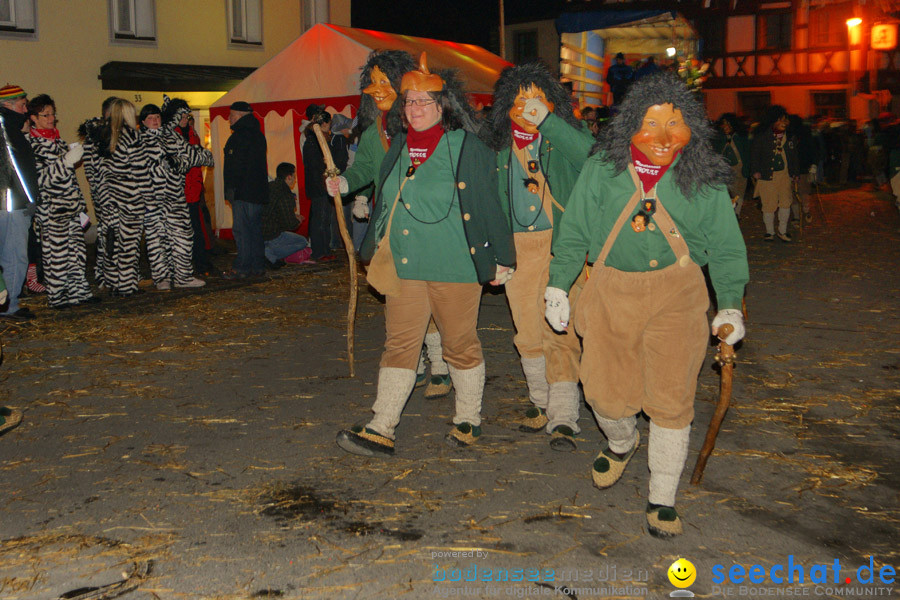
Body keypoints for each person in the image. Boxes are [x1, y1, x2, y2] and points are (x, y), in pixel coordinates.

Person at [544, 73, 748, 537]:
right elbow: (574, 231)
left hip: (679, 294)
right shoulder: (603, 168)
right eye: (651, 123)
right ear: (630, 125)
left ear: (691, 127)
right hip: (611, 291)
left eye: (674, 124)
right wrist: (558, 284)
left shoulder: (705, 178)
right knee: (604, 393)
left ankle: (663, 495)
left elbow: (728, 247)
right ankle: (622, 440)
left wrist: (730, 304)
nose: (661, 137)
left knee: (673, 398)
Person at [336, 54, 515, 457]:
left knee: (459, 345)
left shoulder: (468, 146)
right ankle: (382, 425)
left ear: (442, 106)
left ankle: (469, 418)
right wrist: (351, 190)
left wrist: (502, 257)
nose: (414, 109)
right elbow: (378, 184)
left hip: (455, 266)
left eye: (423, 102)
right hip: (406, 264)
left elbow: (490, 205)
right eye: (409, 102)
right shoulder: (397, 144)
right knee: (399, 344)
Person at [326, 50, 454, 398]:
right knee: (400, 296)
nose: (377, 89)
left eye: (385, 81)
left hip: (430, 225)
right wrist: (347, 185)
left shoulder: (426, 127)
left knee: (433, 297)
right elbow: (364, 168)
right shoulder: (373, 134)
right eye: (372, 82)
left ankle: (441, 364)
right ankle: (415, 363)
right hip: (392, 228)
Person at [487, 61, 595, 451]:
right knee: (528, 332)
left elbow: (592, 160)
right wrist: (494, 255)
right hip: (518, 250)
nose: (527, 106)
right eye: (518, 100)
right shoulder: (497, 147)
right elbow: (488, 205)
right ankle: (541, 403)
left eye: (537, 99)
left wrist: (549, 123)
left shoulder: (565, 135)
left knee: (559, 331)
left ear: (553, 103)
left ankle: (564, 416)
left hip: (560, 245)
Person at [26, 94, 97, 309]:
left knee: (77, 253)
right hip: (52, 211)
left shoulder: (57, 141)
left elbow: (70, 179)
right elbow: (40, 179)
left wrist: (80, 203)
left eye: (52, 114)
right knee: (56, 257)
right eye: (45, 115)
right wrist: (65, 162)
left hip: (71, 209)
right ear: (33, 118)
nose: (50, 118)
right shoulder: (32, 146)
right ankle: (57, 296)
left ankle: (79, 292)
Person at [140, 99, 211, 290]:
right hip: (152, 201)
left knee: (182, 238)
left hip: (175, 198)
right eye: (150, 118)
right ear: (143, 121)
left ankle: (183, 276)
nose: (154, 121)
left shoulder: (171, 137)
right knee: (157, 241)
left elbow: (194, 155)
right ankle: (161, 277)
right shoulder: (138, 142)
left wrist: (180, 162)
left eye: (157, 117)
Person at [81, 99, 147, 296]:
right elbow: (140, 171)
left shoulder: (102, 137)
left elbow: (94, 171)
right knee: (129, 243)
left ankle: (114, 282)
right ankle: (127, 285)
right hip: (130, 199)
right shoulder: (132, 137)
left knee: (112, 242)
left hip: (109, 199)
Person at [0, 84, 41, 320]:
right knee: (14, 254)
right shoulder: (7, 129)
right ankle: (10, 305)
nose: (26, 110)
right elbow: (16, 168)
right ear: (9, 105)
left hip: (9, 201)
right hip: (11, 203)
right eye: (23, 104)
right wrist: (28, 199)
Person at [169, 99, 217, 276]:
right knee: (181, 233)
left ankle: (200, 263)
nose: (184, 118)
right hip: (177, 193)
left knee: (197, 230)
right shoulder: (170, 136)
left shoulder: (191, 133)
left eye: (186, 115)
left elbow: (201, 158)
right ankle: (182, 267)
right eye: (181, 115)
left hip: (193, 191)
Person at [223, 101, 268, 278]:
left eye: (232, 115)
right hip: (256, 191)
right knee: (255, 230)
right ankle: (257, 266)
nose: (228, 119)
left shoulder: (239, 136)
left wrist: (231, 190)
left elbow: (236, 167)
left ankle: (241, 267)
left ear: (241, 116)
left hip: (243, 191)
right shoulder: (258, 134)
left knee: (242, 230)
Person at [79, 96, 120, 290]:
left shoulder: (119, 134)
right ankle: (107, 275)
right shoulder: (95, 135)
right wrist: (101, 191)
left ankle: (118, 273)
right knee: (108, 234)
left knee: (117, 234)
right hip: (105, 194)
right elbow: (91, 169)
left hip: (118, 194)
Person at [750, 105, 798, 242]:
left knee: (785, 203)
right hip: (767, 176)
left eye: (785, 120)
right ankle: (769, 231)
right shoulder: (762, 137)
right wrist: (755, 170)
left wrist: (795, 173)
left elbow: (794, 156)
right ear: (772, 121)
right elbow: (754, 154)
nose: (784, 123)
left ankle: (782, 231)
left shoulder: (790, 137)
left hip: (784, 175)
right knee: (768, 204)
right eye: (780, 120)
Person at [302, 104, 337, 262]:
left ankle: (324, 249)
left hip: (323, 184)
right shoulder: (312, 140)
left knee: (324, 218)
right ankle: (319, 251)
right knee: (320, 219)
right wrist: (323, 181)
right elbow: (314, 166)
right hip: (319, 186)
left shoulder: (319, 139)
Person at [263, 162, 311, 265]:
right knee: (302, 242)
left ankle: (264, 249)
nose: (295, 180)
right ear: (289, 177)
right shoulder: (286, 193)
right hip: (273, 234)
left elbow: (275, 212)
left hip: (258, 232)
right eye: (294, 176)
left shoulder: (268, 186)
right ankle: (269, 254)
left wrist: (292, 216)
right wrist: (297, 220)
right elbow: (289, 224)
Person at [713, 113, 750, 217]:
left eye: (728, 124)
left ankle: (737, 213)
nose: (726, 127)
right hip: (724, 170)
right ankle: (729, 213)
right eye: (723, 124)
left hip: (739, 168)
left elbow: (746, 153)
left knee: (740, 192)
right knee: (728, 192)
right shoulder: (719, 138)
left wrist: (747, 168)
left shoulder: (741, 137)